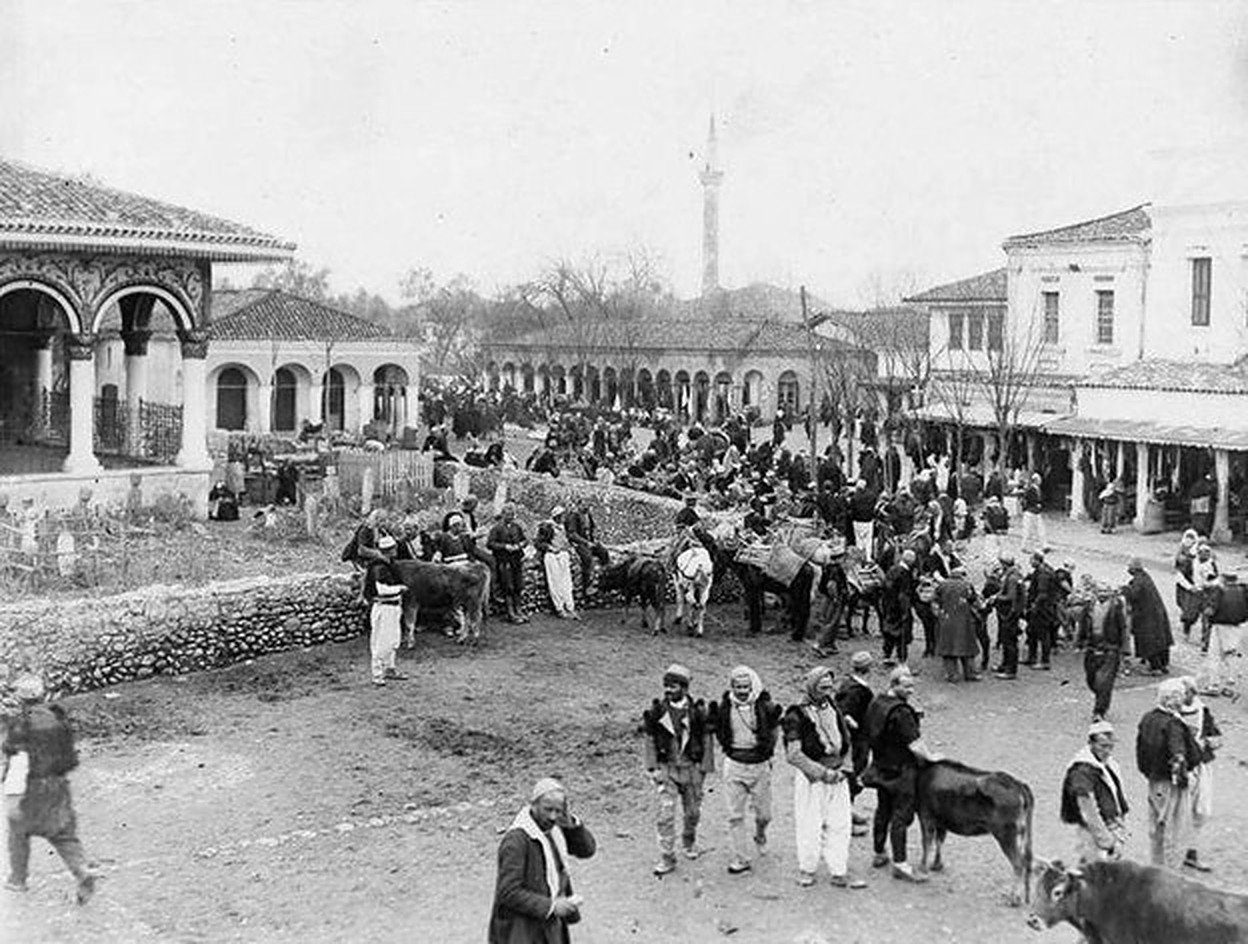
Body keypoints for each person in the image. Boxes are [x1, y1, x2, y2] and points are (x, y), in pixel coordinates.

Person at [2, 674, 97, 903]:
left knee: (18, 829)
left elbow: (18, 762)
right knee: (63, 832)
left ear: (21, 699)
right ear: (42, 694)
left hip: (34, 786)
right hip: (60, 784)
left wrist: (13, 797)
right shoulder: (57, 717)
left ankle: (18, 879)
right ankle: (82, 871)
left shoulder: (21, 726)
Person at [783, 666, 865, 889]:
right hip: (813, 779)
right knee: (809, 824)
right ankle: (807, 868)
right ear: (811, 686)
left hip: (838, 776)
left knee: (840, 823)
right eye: (821, 687)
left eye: (829, 687)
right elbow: (794, 754)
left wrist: (846, 768)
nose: (825, 691)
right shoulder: (795, 714)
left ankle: (838, 870)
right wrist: (822, 773)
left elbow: (845, 740)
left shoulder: (834, 707)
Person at [488, 777, 596, 944]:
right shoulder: (517, 840)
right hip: (522, 930)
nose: (553, 816)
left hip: (549, 927)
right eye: (548, 809)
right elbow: (508, 892)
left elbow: (587, 850)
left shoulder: (554, 830)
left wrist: (571, 824)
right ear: (534, 805)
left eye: (558, 810)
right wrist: (551, 907)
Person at [863, 666, 942, 883]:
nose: (911, 691)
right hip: (902, 771)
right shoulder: (901, 712)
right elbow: (915, 744)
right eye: (907, 687)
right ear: (894, 684)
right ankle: (900, 863)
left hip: (880, 767)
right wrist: (932, 757)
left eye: (912, 686)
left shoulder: (877, 702)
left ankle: (879, 851)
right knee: (901, 816)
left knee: (882, 810)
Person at [709, 666, 783, 876]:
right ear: (731, 687)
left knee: (764, 814)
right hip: (734, 765)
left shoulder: (765, 706)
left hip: (759, 765)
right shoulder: (725, 707)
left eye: (745, 687)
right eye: (738, 687)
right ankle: (740, 858)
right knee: (735, 816)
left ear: (752, 686)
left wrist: (768, 753)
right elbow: (717, 729)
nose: (742, 691)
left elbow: (774, 729)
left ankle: (760, 834)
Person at [643, 664, 714, 875]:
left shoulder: (698, 712)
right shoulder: (657, 712)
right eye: (665, 686)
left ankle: (689, 840)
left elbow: (707, 739)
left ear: (684, 688)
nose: (668, 690)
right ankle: (667, 856)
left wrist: (704, 768)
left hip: (692, 769)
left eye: (673, 686)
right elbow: (649, 740)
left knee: (692, 812)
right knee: (665, 814)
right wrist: (653, 767)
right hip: (668, 769)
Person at [1136, 678, 1203, 870]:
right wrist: (1183, 777)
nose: (1182, 701)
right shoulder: (1173, 724)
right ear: (1172, 700)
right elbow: (1178, 755)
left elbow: (1140, 750)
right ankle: (1170, 872)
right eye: (1180, 697)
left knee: (1156, 827)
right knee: (1173, 827)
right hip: (1170, 782)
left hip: (1153, 779)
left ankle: (1156, 867)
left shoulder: (1148, 718)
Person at [1059, 720, 1128, 862]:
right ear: (1091, 744)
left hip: (1108, 827)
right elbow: (1088, 811)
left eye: (1110, 747)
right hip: (1094, 833)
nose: (1107, 751)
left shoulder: (1106, 764)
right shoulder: (1081, 772)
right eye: (1103, 746)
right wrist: (1107, 841)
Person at [1178, 677, 1220, 874]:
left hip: (1201, 765)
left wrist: (1212, 742)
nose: (1181, 696)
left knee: (1200, 811)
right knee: (1178, 810)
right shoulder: (1171, 713)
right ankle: (1178, 854)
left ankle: (1190, 852)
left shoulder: (1203, 711)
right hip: (1180, 769)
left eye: (1185, 692)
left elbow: (1216, 736)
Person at [834, 652, 875, 836]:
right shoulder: (856, 690)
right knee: (853, 776)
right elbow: (844, 712)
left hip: (858, 738)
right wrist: (855, 725)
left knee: (857, 773)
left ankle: (848, 812)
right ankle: (843, 819)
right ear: (869, 668)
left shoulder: (850, 684)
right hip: (856, 740)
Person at [1074, 583, 1126, 721]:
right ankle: (1102, 696)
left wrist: (1125, 649)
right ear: (1096, 592)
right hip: (1092, 647)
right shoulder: (1089, 606)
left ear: (1109, 593)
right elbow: (1082, 625)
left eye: (1105, 591)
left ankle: (1099, 711)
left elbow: (1123, 628)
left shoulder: (1116, 607)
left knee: (1104, 681)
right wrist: (1079, 642)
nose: (1103, 594)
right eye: (1100, 591)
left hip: (1110, 648)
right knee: (1091, 680)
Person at [364, 535, 407, 685]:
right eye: (393, 548)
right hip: (384, 607)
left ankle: (390, 668)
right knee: (381, 642)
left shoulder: (390, 565)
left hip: (394, 606)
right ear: (389, 550)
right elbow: (381, 589)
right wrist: (399, 588)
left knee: (393, 640)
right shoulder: (379, 567)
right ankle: (377, 674)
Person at [1123, 558, 1174, 675]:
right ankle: (1163, 665)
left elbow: (1133, 595)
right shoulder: (1145, 577)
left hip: (1147, 617)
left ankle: (1156, 667)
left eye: (1129, 567)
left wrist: (1124, 590)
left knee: (1149, 641)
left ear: (1133, 569)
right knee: (1160, 640)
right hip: (1156, 613)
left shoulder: (1139, 581)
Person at [934, 564, 981, 683]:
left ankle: (952, 675)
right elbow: (974, 601)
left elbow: (934, 600)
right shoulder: (967, 585)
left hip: (947, 619)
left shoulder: (942, 585)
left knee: (948, 650)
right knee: (967, 648)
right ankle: (970, 673)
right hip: (965, 621)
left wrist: (939, 613)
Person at [533, 507, 580, 620]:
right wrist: (550, 547)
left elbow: (566, 540)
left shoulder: (563, 527)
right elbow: (538, 543)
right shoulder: (547, 526)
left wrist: (570, 549)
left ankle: (570, 607)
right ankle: (559, 608)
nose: (563, 517)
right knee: (555, 582)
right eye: (561, 515)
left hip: (563, 554)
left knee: (566, 582)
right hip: (552, 556)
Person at [487, 504, 529, 624]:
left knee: (518, 585)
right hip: (504, 560)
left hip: (516, 559)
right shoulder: (497, 528)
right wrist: (505, 546)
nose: (510, 517)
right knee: (507, 586)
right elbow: (490, 544)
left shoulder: (517, 527)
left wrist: (520, 545)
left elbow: (525, 540)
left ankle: (519, 610)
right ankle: (511, 613)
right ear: (503, 514)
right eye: (507, 514)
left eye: (512, 514)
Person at [989, 553, 1025, 680]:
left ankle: (1010, 670)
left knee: (1010, 642)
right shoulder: (1014, 574)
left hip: (1009, 614)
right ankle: (1004, 665)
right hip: (1010, 613)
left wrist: (996, 598)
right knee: (1006, 640)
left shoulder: (1011, 578)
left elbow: (1010, 596)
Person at [564, 499, 609, 594]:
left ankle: (605, 578)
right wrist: (585, 542)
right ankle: (587, 585)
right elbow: (572, 534)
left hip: (590, 541)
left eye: (588, 505)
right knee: (587, 558)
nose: (586, 507)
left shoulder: (588, 515)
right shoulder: (574, 516)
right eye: (584, 505)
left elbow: (593, 528)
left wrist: (595, 538)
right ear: (579, 505)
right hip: (579, 543)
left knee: (604, 553)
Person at [881, 549, 916, 666]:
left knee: (888, 631)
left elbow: (885, 586)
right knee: (901, 632)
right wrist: (905, 611)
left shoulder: (892, 569)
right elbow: (904, 595)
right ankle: (901, 658)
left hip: (888, 605)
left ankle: (887, 655)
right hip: (898, 607)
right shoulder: (904, 574)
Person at [1024, 551, 1059, 670]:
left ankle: (1045, 661)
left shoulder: (1043, 574)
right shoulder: (1044, 570)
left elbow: (1042, 593)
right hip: (1043, 607)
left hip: (1042, 609)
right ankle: (1031, 657)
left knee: (1043, 634)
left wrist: (1034, 605)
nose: (1030, 562)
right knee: (1032, 632)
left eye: (1031, 560)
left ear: (1036, 560)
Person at [1173, 529, 1201, 642]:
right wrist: (1188, 586)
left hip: (1196, 586)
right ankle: (1186, 632)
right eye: (1187, 539)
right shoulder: (1181, 554)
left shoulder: (1199, 553)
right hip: (1184, 586)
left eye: (1191, 539)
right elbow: (1178, 572)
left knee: (1193, 610)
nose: (1189, 541)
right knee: (1186, 609)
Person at [1020, 473, 1045, 553]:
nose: (1040, 481)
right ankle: (1025, 546)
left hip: (1037, 512)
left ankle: (1042, 545)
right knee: (1028, 530)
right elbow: (1026, 500)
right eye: (1039, 479)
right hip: (1030, 511)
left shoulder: (1038, 489)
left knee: (1040, 529)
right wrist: (1034, 505)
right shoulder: (1030, 489)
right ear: (1036, 481)